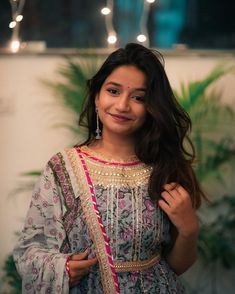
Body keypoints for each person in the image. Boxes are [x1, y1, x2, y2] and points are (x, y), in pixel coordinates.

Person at [13, 43, 206, 294]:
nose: (123, 105)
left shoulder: (165, 169)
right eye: (113, 91)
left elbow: (175, 267)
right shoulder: (64, 168)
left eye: (139, 97)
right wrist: (62, 269)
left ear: (151, 108)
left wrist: (189, 229)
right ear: (97, 97)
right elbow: (30, 249)